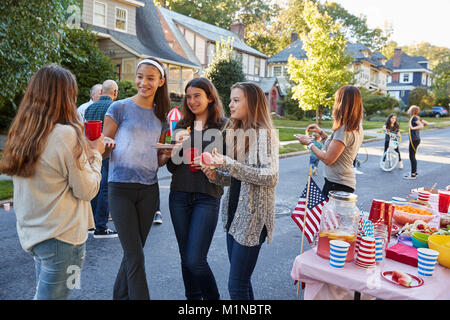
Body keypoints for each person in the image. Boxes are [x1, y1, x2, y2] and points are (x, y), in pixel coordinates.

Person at [0, 64, 111, 299]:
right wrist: (96, 153)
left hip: (35, 236)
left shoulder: (24, 132)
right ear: (65, 97)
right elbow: (87, 189)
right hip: (65, 240)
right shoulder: (66, 135)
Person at [200, 82, 279, 300]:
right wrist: (215, 175)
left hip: (253, 219)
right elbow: (237, 179)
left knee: (236, 286)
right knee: (241, 284)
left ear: (251, 103)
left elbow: (270, 177)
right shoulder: (237, 132)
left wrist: (227, 164)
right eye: (231, 99)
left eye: (237, 100)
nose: (230, 104)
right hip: (234, 217)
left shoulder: (263, 135)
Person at [102, 57, 170, 300]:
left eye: (150, 78)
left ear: (161, 82)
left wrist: (166, 154)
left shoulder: (161, 117)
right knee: (135, 255)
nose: (143, 82)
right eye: (140, 76)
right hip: (120, 189)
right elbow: (100, 147)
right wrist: (106, 147)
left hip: (149, 191)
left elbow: (158, 159)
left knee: (134, 253)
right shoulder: (118, 108)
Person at [165, 77, 226, 300]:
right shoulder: (181, 127)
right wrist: (174, 150)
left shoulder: (224, 126)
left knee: (195, 259)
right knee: (185, 257)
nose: (191, 101)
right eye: (188, 97)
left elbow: (230, 170)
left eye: (197, 96)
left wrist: (213, 167)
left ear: (210, 97)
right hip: (179, 196)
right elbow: (172, 167)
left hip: (207, 197)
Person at [296, 85, 364, 198]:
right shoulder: (355, 126)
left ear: (341, 103)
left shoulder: (344, 129)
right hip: (341, 183)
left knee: (328, 215)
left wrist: (309, 144)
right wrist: (321, 133)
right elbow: (336, 148)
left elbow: (328, 159)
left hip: (338, 184)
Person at [84, 80, 119, 238]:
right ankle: (101, 226)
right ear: (115, 92)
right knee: (104, 188)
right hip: (108, 152)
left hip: (90, 151)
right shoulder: (114, 108)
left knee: (93, 186)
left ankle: (90, 223)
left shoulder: (89, 108)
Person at [403, 105, 428, 180]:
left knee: (412, 156)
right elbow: (426, 123)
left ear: (411, 111)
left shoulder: (414, 118)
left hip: (414, 139)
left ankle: (413, 174)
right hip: (416, 139)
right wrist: (420, 125)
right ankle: (414, 172)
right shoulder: (417, 117)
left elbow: (421, 125)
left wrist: (413, 128)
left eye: (409, 109)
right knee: (413, 156)